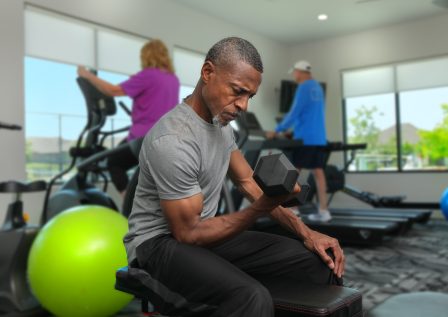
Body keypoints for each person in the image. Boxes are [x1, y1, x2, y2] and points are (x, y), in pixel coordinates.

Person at [123, 38, 345, 316]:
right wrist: (262, 207)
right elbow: (187, 233)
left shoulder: (221, 126)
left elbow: (248, 182)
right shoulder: (173, 139)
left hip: (203, 234)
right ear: (208, 73)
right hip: (156, 246)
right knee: (251, 297)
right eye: (237, 91)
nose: (243, 106)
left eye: (249, 96)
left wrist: (309, 233)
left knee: (316, 261)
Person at [77, 39, 179, 195]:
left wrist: (87, 75)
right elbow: (157, 103)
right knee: (149, 178)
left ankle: (130, 208)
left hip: (144, 139)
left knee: (114, 163)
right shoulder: (173, 80)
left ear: (147, 56)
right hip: (168, 140)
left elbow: (113, 90)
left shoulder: (148, 75)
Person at [268, 61, 331, 222]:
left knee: (293, 172)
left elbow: (295, 112)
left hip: (305, 138)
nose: (294, 76)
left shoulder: (303, 87)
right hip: (318, 137)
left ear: (300, 72)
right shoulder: (317, 87)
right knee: (318, 173)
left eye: (295, 72)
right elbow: (308, 114)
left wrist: (277, 130)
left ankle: (293, 209)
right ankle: (324, 211)